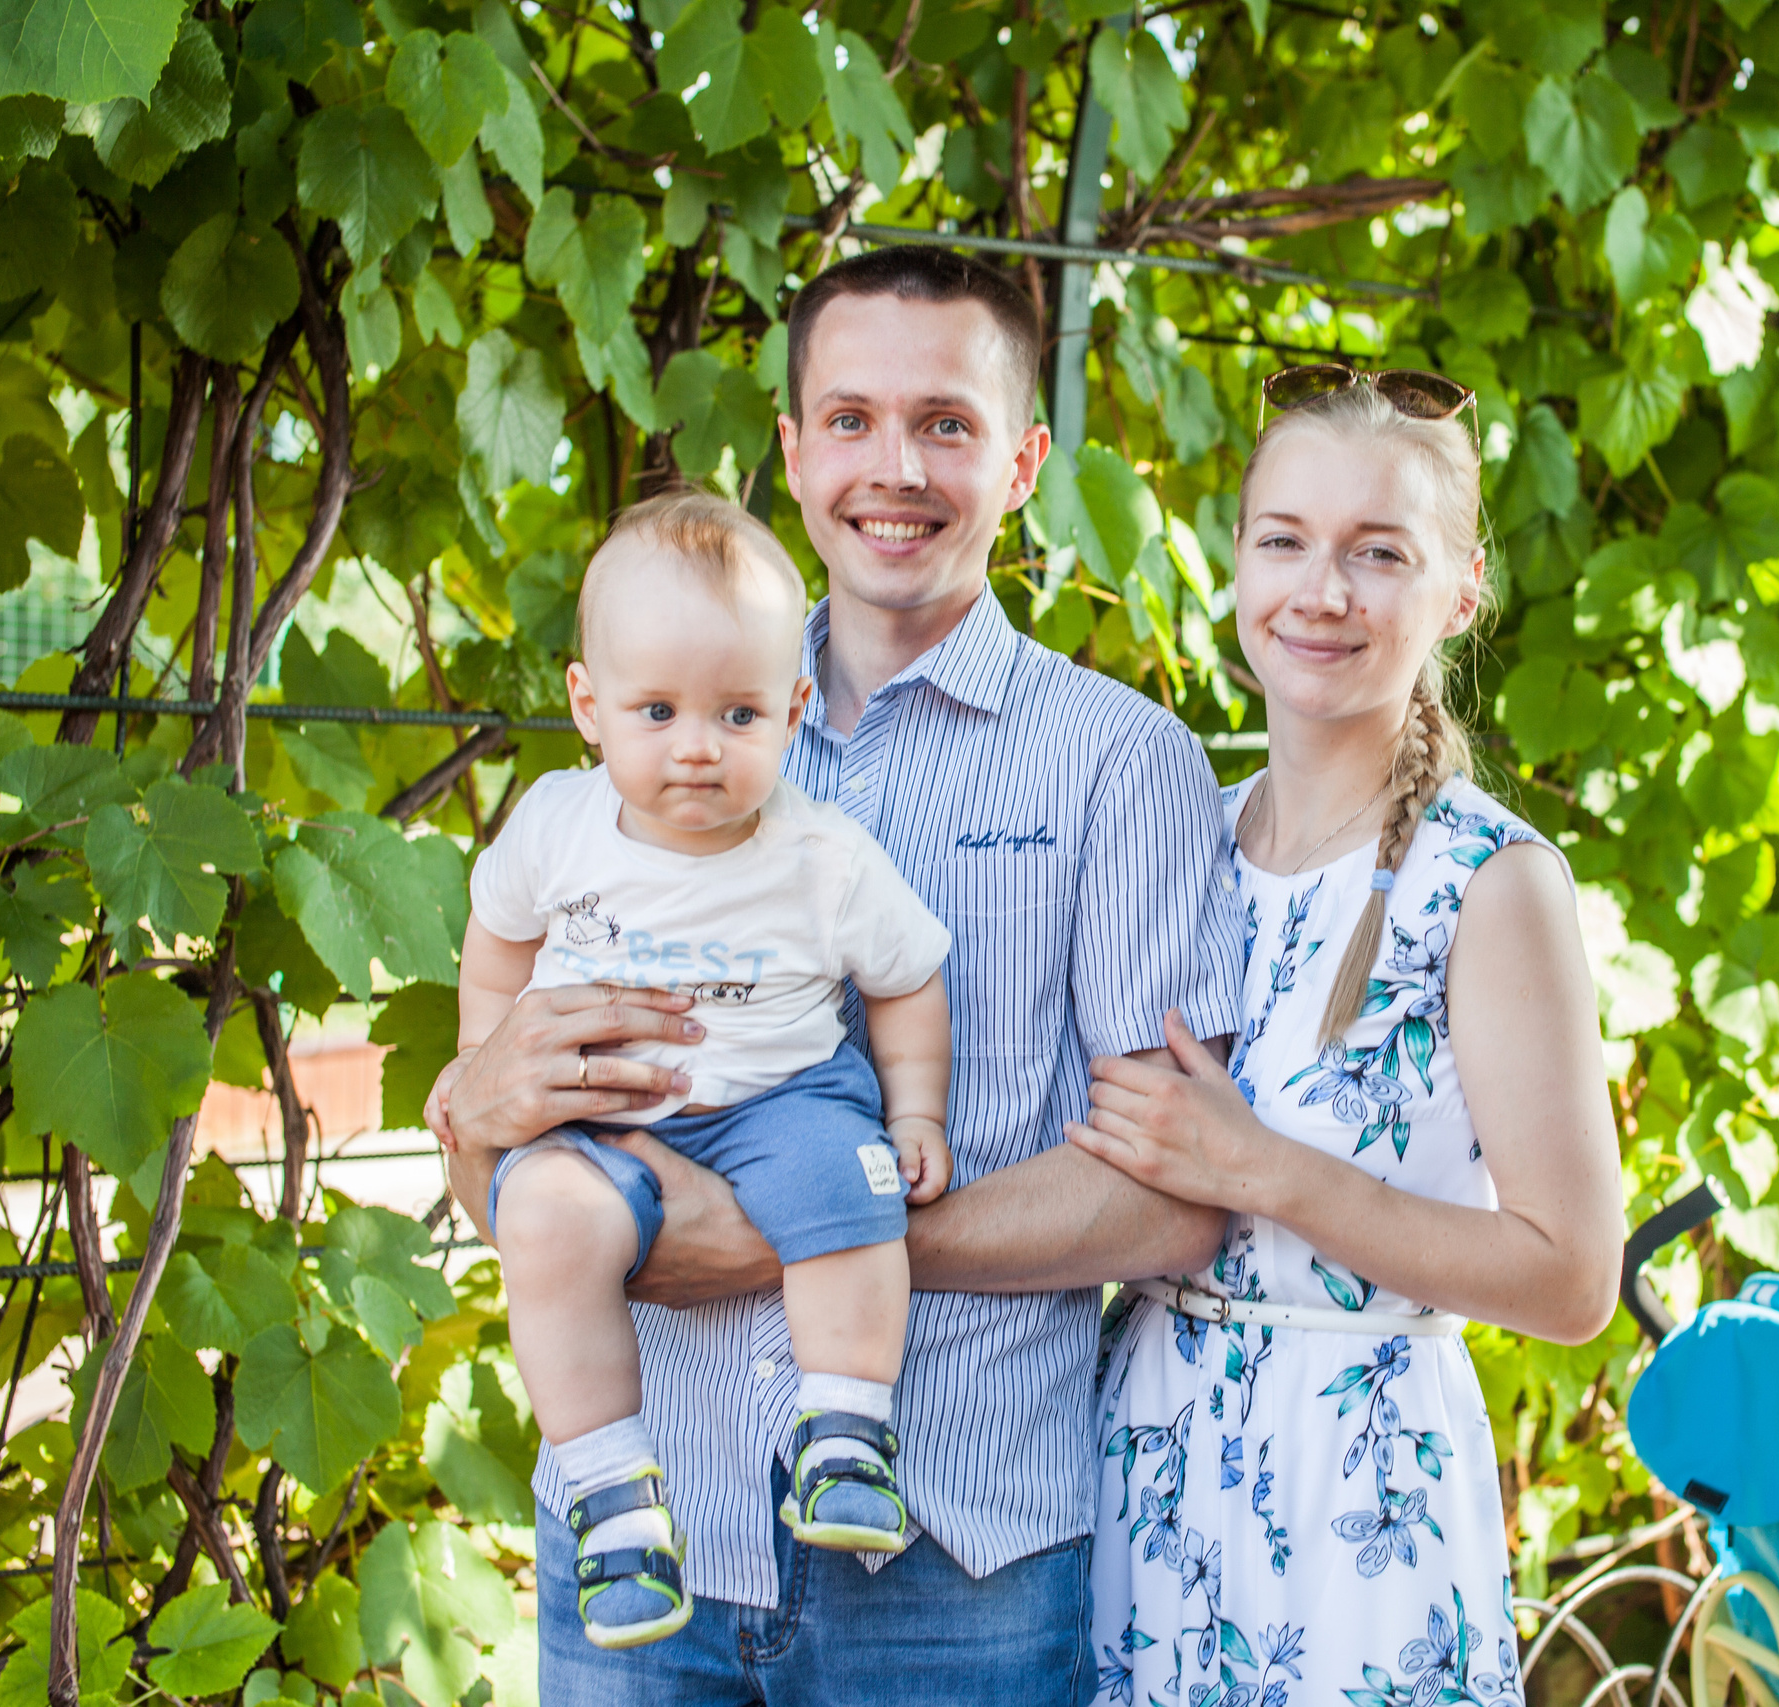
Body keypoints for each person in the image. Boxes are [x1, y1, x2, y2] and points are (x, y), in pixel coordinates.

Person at [427, 245, 1244, 1704]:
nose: (897, 466)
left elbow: (1177, 1198)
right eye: (852, 418)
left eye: (947, 422)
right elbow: (493, 1134)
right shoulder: (646, 734)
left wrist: (798, 1229)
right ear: (793, 451)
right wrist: (472, 1095)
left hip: (958, 1553)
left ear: (1024, 460)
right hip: (642, 1531)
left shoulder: (1122, 764)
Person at [1067, 372, 1627, 1706]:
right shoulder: (1177, 832)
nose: (1323, 590)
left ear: (1462, 589)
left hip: (1358, 1496)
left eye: (1380, 552)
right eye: (1287, 539)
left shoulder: (1486, 880)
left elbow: (1572, 1277)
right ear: (1239, 553)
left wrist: (1266, 1169)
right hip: (1148, 1465)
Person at [457, 493, 956, 1651]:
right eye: (657, 710)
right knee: (540, 1219)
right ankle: (611, 1491)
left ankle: (845, 1434)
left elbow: (907, 974)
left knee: (857, 1190)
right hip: (603, 1120)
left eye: (738, 714)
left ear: (792, 711)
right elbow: (496, 936)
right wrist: (487, 1059)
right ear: (589, 707)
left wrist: (917, 1105)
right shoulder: (557, 827)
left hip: (783, 1101)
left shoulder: (821, 854)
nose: (697, 745)